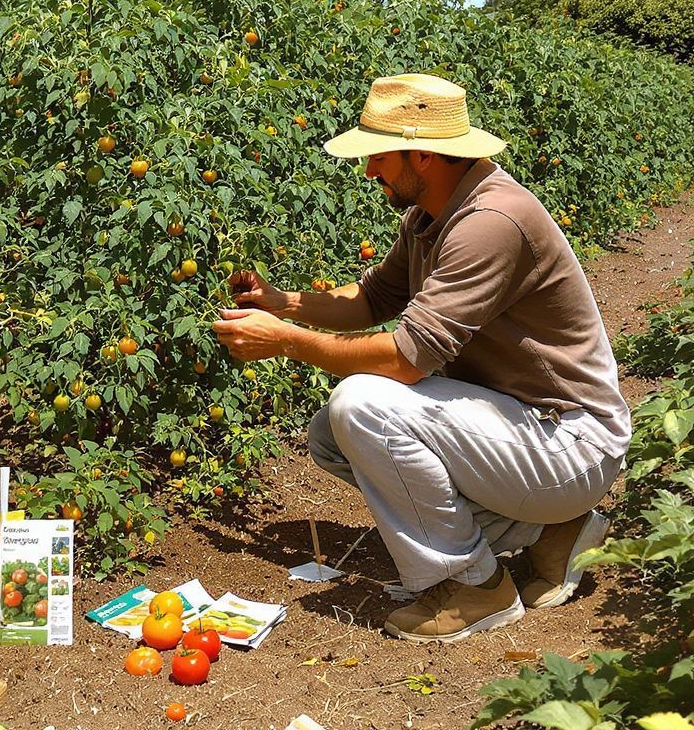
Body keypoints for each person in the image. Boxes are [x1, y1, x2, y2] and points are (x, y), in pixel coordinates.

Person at [211, 73, 631, 643]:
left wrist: (284, 340)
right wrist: (282, 303)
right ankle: (549, 533)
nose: (369, 172)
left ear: (424, 155)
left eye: (379, 157)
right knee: (332, 434)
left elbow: (406, 360)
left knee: (363, 406)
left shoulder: (491, 223)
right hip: (521, 430)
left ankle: (475, 586)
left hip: (570, 440)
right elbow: (373, 299)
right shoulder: (431, 216)